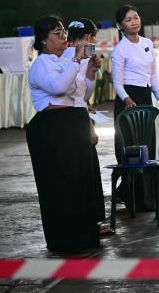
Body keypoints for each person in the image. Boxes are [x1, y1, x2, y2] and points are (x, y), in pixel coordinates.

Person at [26, 15, 100, 251]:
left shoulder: (63, 61)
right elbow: (58, 87)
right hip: (53, 130)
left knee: (79, 185)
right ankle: (65, 240)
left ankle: (83, 236)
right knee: (61, 186)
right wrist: (77, 62)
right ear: (43, 40)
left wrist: (89, 73)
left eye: (63, 33)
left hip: (72, 124)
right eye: (57, 34)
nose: (63, 38)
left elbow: (81, 96)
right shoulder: (41, 64)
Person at [111, 4, 159, 211]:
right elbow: (117, 82)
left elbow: (153, 76)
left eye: (136, 17)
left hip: (145, 97)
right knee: (131, 150)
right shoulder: (120, 50)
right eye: (128, 19)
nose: (134, 21)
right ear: (120, 26)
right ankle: (131, 197)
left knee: (147, 148)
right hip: (127, 100)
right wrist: (126, 98)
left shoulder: (147, 43)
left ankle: (146, 199)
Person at [63, 18, 111, 235]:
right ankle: (83, 223)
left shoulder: (83, 59)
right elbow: (75, 96)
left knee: (88, 171)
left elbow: (86, 95)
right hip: (71, 120)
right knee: (80, 172)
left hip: (80, 117)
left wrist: (91, 71)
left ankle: (92, 221)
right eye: (92, 37)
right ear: (88, 37)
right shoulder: (67, 59)